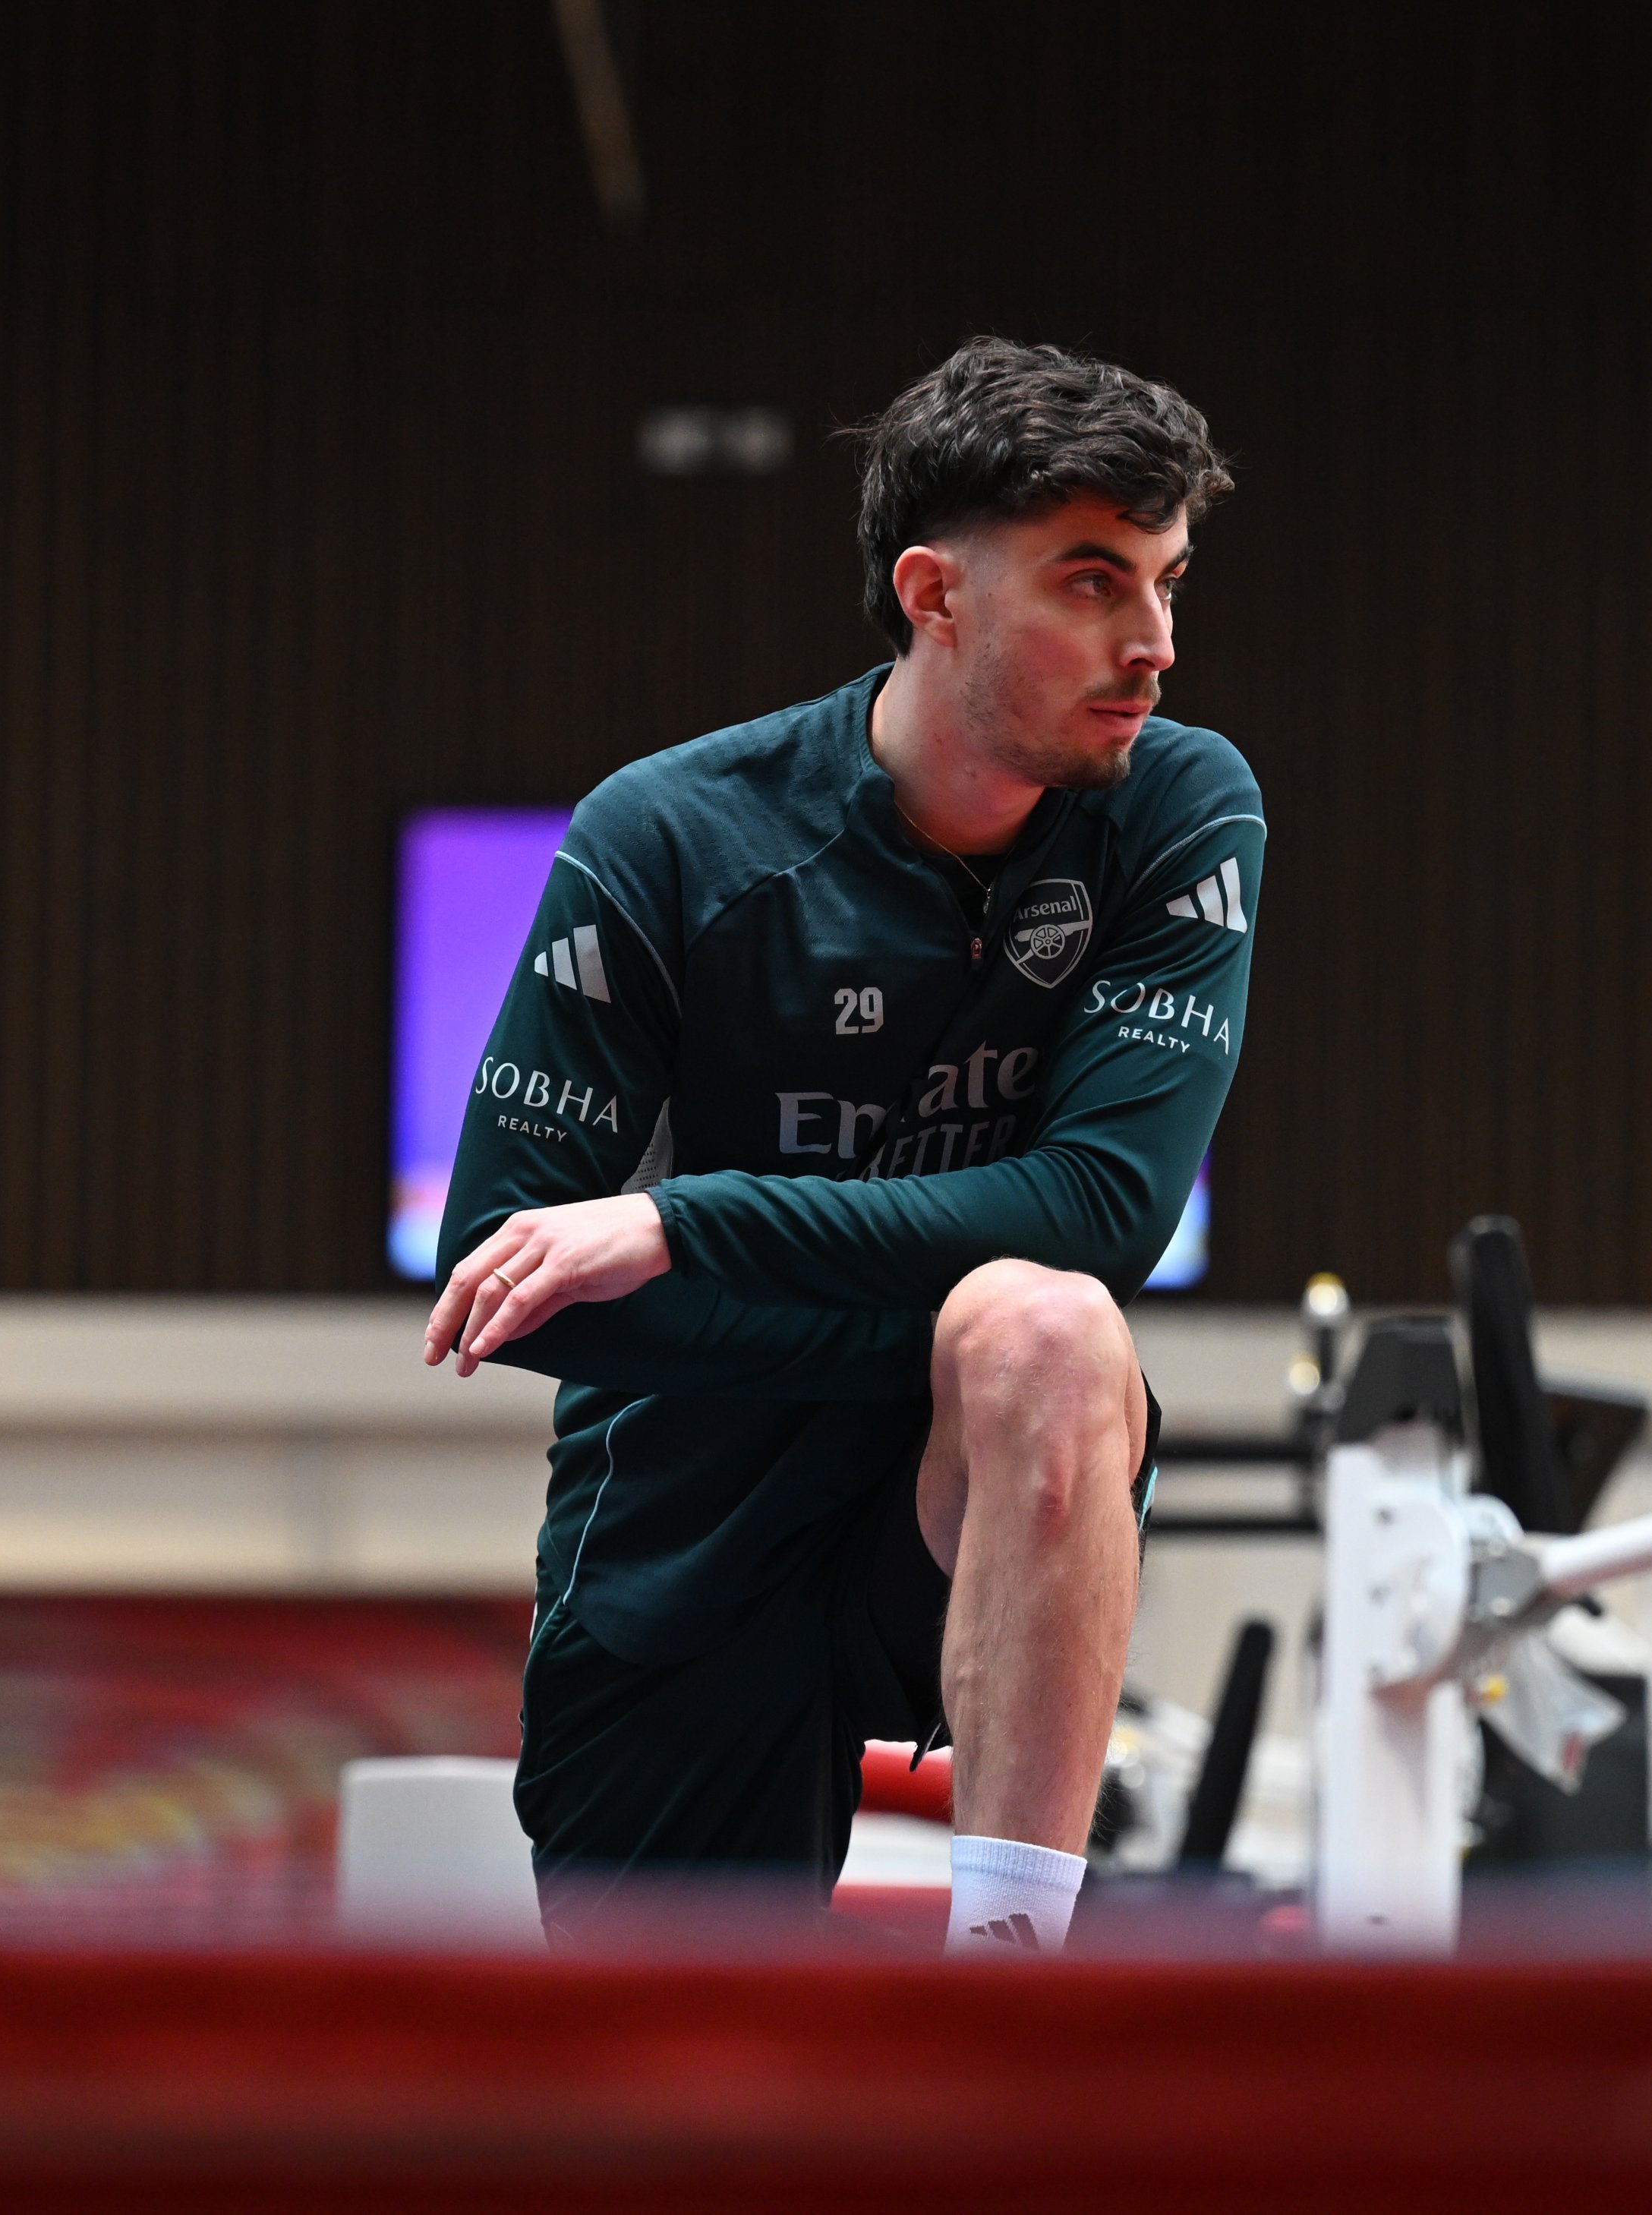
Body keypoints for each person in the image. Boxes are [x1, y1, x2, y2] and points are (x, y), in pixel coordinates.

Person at [421, 338, 1258, 1955]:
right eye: (1093, 581)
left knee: (1048, 1328)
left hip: (959, 1503)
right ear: (935, 594)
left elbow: (1102, 1209)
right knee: (663, 2091)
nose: (1153, 642)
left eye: (1166, 581)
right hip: (687, 1533)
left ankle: (1011, 1964)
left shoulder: (1181, 807)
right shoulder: (667, 835)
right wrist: (898, 1321)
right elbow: (502, 1270)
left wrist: (688, 1226)